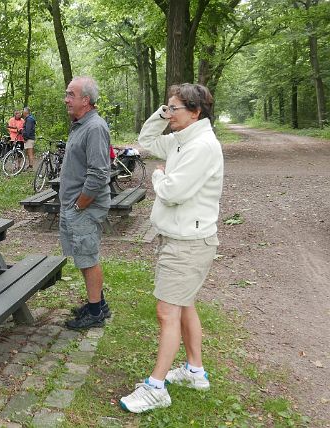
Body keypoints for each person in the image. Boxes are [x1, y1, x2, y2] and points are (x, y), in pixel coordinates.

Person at [119, 83, 223, 413]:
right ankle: (195, 371)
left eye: (174, 109)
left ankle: (155, 387)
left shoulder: (201, 146)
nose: (169, 114)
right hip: (183, 238)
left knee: (167, 312)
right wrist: (160, 114)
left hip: (188, 243)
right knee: (184, 304)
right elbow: (147, 141)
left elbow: (173, 192)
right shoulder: (183, 139)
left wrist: (158, 177)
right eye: (167, 108)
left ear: (195, 112)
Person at [59, 76, 112, 330]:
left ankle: (95, 313)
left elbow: (99, 174)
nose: (66, 99)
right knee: (82, 256)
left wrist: (79, 205)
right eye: (66, 94)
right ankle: (98, 303)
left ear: (86, 100)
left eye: (71, 94)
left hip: (83, 207)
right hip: (74, 205)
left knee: (88, 258)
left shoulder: (95, 128)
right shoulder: (81, 125)